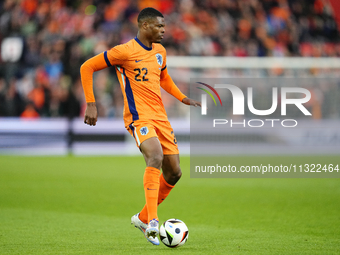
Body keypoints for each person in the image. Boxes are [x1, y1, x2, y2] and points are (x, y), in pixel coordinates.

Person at [80, 7, 200, 246]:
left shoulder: (160, 51)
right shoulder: (123, 52)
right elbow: (87, 67)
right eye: (160, 26)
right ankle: (153, 222)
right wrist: (91, 103)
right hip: (138, 117)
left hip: (160, 117)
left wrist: (182, 97)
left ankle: (142, 217)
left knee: (175, 172)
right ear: (145, 26)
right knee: (154, 156)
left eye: (164, 26)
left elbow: (163, 77)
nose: (164, 30)